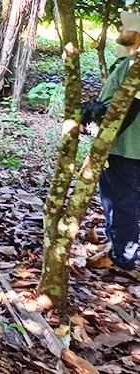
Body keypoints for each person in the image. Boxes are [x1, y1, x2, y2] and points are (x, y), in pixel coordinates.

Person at [97, 11, 140, 270]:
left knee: (121, 201)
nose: (121, 27)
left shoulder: (137, 64)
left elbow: (131, 106)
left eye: (129, 24)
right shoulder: (129, 61)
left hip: (128, 146)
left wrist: (106, 137)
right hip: (127, 144)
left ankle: (124, 256)